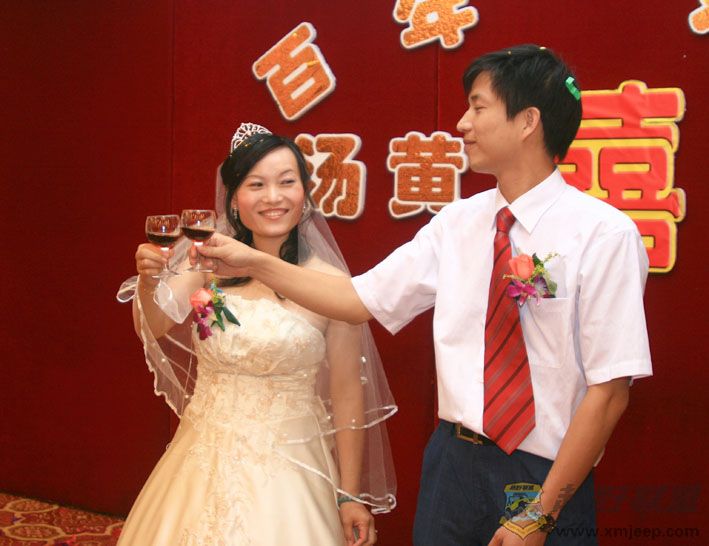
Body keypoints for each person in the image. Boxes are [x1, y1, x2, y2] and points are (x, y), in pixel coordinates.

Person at [194, 45, 652, 546]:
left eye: (478, 107)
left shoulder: (604, 234)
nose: (462, 124)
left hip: (545, 473)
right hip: (452, 467)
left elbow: (610, 392)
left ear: (528, 121)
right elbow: (357, 300)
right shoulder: (457, 223)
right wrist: (255, 261)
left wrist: (539, 515)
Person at [115, 124, 397, 546]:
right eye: (256, 184)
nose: (273, 197)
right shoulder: (205, 265)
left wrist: (349, 494)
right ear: (233, 199)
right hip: (202, 458)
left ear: (305, 194)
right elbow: (154, 327)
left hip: (291, 467)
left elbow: (346, 392)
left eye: (287, 182)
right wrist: (148, 279)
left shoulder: (330, 285)